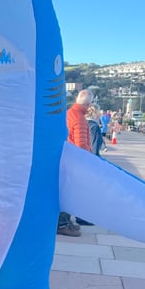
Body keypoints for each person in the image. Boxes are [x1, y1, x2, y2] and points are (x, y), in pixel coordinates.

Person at [57, 89, 94, 235]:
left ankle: (65, 222)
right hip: (75, 162)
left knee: (65, 192)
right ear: (89, 104)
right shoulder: (79, 119)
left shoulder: (68, 114)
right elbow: (81, 145)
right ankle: (62, 224)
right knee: (70, 194)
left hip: (65, 158)